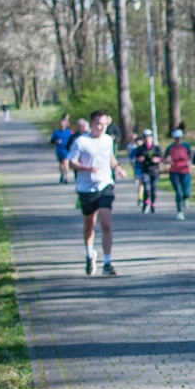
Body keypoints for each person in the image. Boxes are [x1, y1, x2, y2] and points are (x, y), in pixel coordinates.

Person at [66, 110, 127, 276]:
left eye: (105, 124)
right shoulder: (81, 142)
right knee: (89, 224)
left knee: (106, 223)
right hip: (86, 187)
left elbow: (110, 158)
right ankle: (89, 253)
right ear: (91, 124)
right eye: (99, 124)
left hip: (105, 184)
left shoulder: (108, 140)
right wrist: (85, 168)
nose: (102, 128)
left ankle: (107, 262)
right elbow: (70, 163)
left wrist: (118, 167)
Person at [165, 128, 193, 220]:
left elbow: (190, 155)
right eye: (176, 138)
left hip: (185, 171)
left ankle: (186, 198)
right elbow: (164, 158)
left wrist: (189, 162)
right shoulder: (170, 147)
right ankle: (180, 211)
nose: (178, 139)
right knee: (178, 192)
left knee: (186, 192)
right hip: (174, 171)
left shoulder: (186, 146)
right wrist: (169, 161)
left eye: (179, 138)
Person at [133, 130, 163, 214]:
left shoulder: (156, 148)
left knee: (153, 188)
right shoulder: (140, 148)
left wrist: (157, 159)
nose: (147, 139)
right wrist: (140, 159)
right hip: (145, 170)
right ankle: (145, 203)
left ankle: (153, 204)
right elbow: (136, 157)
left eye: (149, 137)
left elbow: (161, 157)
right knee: (146, 187)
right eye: (145, 137)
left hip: (154, 170)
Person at [50, 115, 74, 184]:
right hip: (59, 150)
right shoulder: (56, 132)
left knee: (66, 162)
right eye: (61, 124)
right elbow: (51, 141)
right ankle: (62, 174)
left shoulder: (69, 132)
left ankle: (66, 177)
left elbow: (73, 139)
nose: (62, 125)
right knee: (61, 164)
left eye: (63, 124)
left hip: (66, 150)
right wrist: (56, 141)